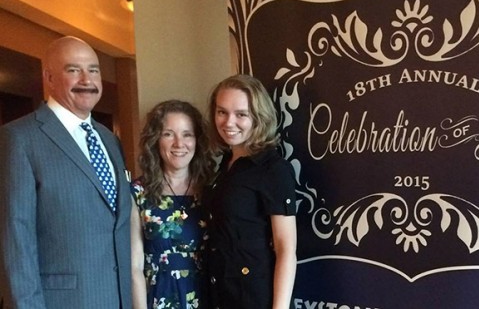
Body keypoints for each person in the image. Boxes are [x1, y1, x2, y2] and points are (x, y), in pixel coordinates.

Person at [0, 36, 132, 308]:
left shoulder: (110, 140)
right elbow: (15, 241)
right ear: (48, 78)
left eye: (93, 70)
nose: (87, 79)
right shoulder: (19, 138)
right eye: (73, 70)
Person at [204, 74, 298, 309]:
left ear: (258, 117)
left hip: (255, 296)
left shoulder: (273, 169)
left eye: (241, 114)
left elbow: (286, 248)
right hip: (220, 291)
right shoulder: (225, 162)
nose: (228, 122)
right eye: (222, 112)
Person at [130, 100, 215, 309]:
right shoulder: (138, 192)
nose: (179, 143)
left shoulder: (214, 189)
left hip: (206, 296)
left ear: (197, 141)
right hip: (157, 296)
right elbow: (135, 266)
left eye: (187, 134)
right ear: (155, 140)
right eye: (168, 134)